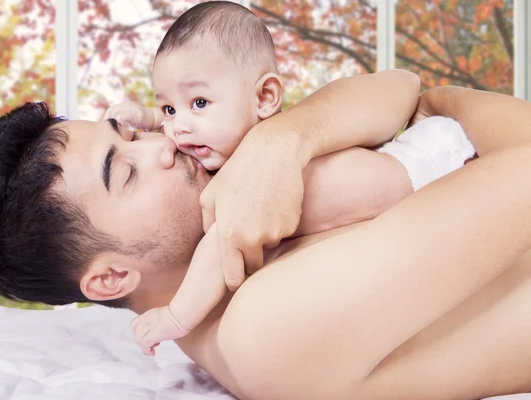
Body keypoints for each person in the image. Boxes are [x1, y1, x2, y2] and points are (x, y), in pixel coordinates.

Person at [0, 68, 531, 399]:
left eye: (128, 133)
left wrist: (280, 143)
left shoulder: (251, 219)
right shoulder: (263, 326)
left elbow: (400, 87)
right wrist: (446, 102)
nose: (162, 143)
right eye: (126, 172)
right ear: (111, 277)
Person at [105, 1, 474, 354]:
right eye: (169, 108)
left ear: (265, 97)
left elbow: (220, 248)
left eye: (199, 103)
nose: (178, 127)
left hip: (435, 168)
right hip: (421, 181)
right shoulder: (235, 145)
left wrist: (176, 316)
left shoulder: (250, 179)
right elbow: (183, 121)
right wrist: (149, 117)